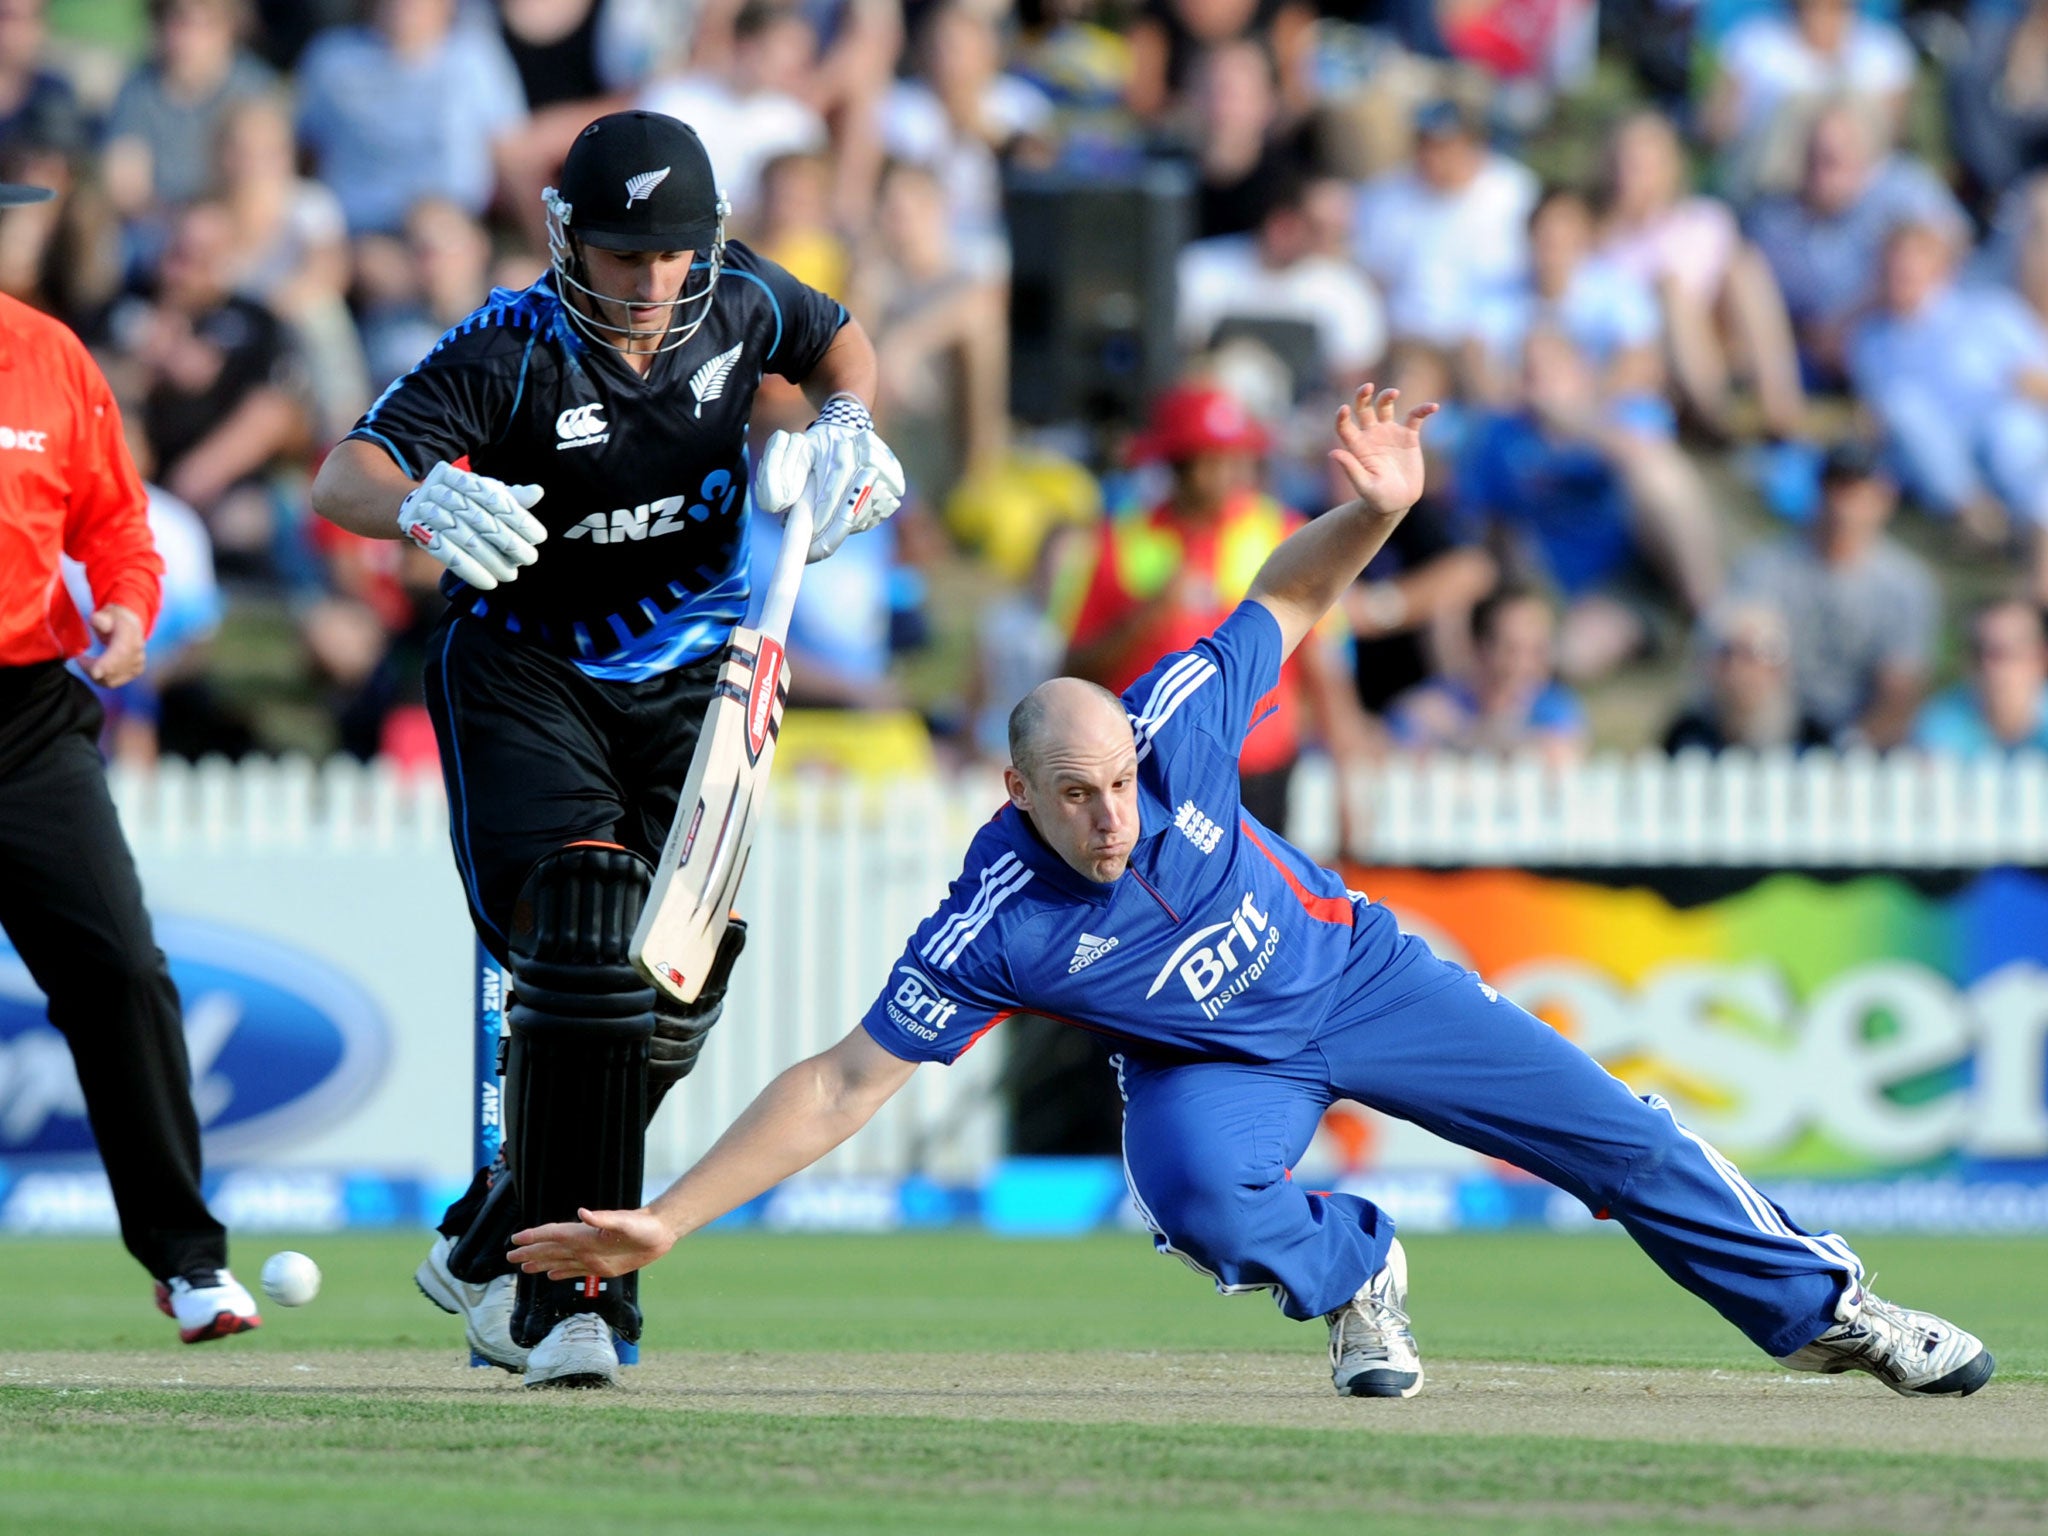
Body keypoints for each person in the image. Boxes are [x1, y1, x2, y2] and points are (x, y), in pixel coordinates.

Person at [507, 384, 1996, 1404]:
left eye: (1119, 786)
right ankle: (1359, 1271)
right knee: (1197, 1194)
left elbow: (1284, 598)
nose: (1110, 814)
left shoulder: (1173, 724)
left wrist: (1377, 516)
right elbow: (843, 1083)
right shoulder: (993, 916)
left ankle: (1834, 1311)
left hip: (1358, 977)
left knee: (1618, 1141)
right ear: (1013, 794)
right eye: (1074, 796)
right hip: (1206, 1060)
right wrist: (673, 1224)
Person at [309, 109, 902, 1389]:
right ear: (564, 237)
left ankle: (501, 1216)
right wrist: (413, 501)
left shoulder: (739, 302)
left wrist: (850, 425)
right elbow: (341, 474)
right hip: (527, 666)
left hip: (695, 665)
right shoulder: (511, 352)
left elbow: (839, 337)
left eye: (673, 255)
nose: (650, 286)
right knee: (586, 923)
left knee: (677, 976)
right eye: (625, 255)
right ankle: (564, 1297)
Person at [0, 177, 256, 1345]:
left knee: (123, 977)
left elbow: (114, 524)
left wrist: (129, 609)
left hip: (28, 724)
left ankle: (188, 1262)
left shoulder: (52, 359)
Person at [1058, 381, 1371, 835]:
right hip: (1148, 778)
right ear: (1178, 463)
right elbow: (1072, 669)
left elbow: (1325, 669)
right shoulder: (1116, 540)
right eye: (1214, 459)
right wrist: (1145, 619)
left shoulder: (1282, 532)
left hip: (1259, 779)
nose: (1231, 472)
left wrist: (1348, 786)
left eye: (1237, 456)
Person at [1726, 440, 1936, 750]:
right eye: (1836, 487)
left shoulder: (1906, 585)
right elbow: (1741, 658)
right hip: (1775, 721)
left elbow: (1900, 686)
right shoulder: (1763, 569)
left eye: (1857, 490)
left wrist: (1853, 744)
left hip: (1864, 733)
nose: (1844, 503)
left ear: (1884, 497)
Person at [1386, 583, 1588, 764]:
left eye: (1537, 650)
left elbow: (1562, 756)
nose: (1524, 665)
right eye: (1511, 650)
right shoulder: (1434, 703)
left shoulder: (1554, 706)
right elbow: (1394, 752)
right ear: (1480, 650)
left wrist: (1458, 740)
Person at [1662, 599, 1832, 754]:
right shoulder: (1688, 736)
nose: (1744, 670)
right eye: (1730, 653)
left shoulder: (1812, 738)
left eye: (1764, 653)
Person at [1913, 598, 2048, 756]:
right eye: (1977, 652)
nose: (1988, 666)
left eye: (2001, 652)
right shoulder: (1938, 722)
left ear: (2039, 658)